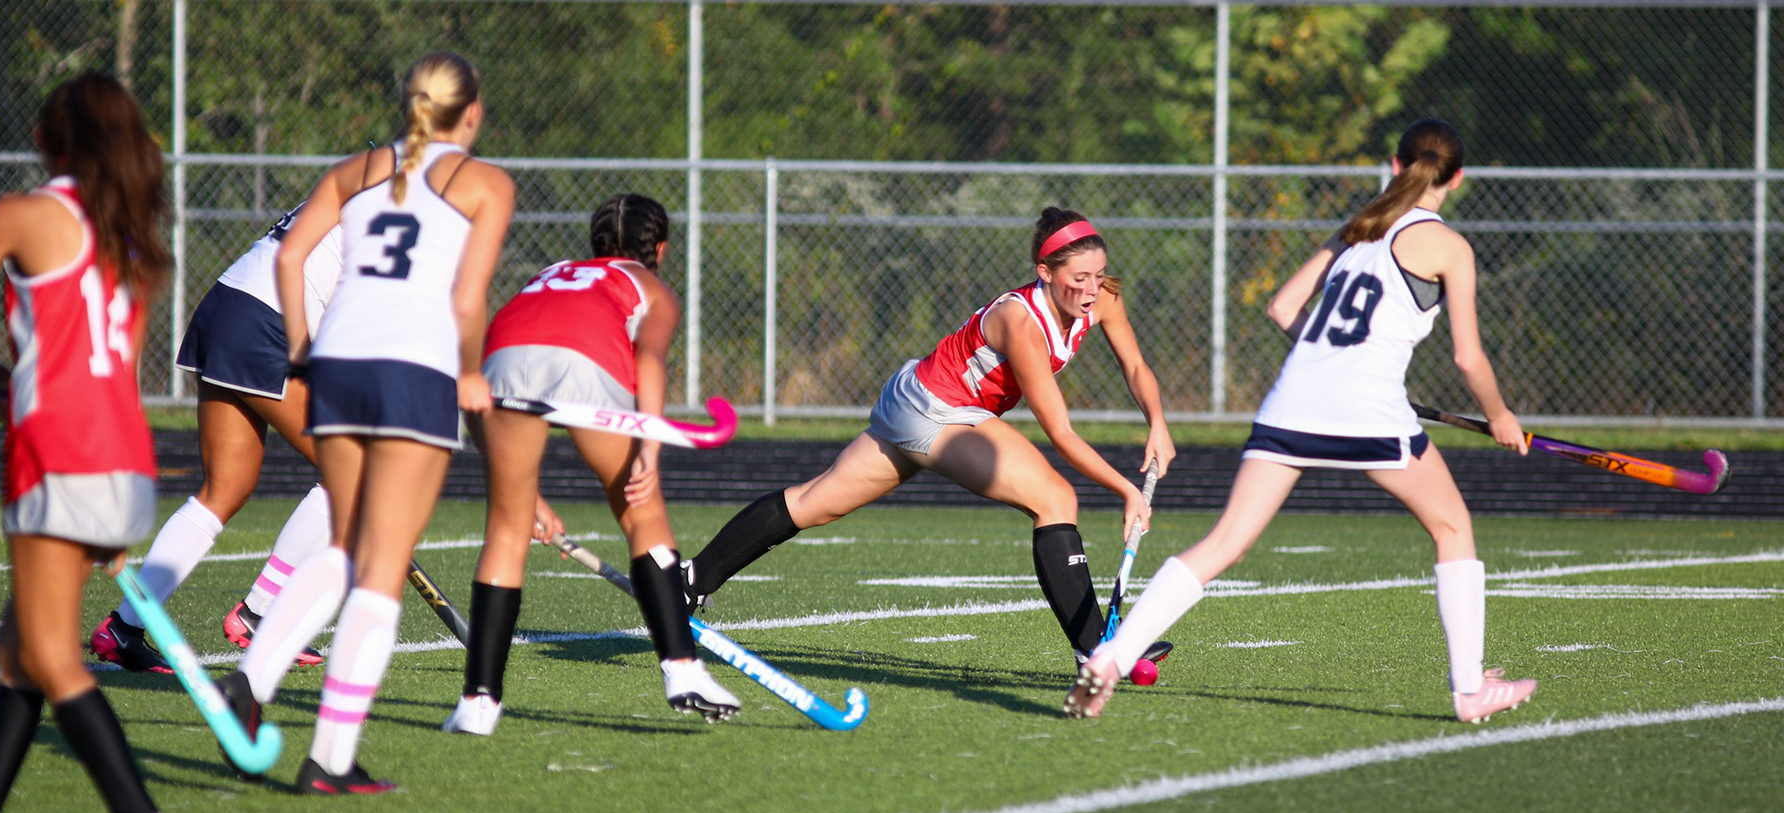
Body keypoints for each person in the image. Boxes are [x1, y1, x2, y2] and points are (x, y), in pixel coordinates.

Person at [1068, 118, 1538, 724]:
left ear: (1396, 165)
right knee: (1452, 526)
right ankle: (1469, 689)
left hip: (1293, 398)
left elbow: (1282, 307)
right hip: (1368, 406)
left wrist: (1329, 358)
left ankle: (1111, 656)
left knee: (1226, 542)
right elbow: (1468, 358)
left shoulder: (1360, 227)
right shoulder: (1450, 247)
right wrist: (1499, 416)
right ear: (1459, 178)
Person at [682, 208, 1176, 668]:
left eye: (1098, 275)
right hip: (933, 410)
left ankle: (691, 578)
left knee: (814, 503)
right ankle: (1097, 649)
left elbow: (1135, 366)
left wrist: (1157, 422)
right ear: (1044, 272)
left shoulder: (1104, 298)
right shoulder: (1021, 322)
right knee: (1055, 498)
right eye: (1079, 278)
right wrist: (1126, 490)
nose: (1091, 290)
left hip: (926, 400)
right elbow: (1061, 432)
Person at [216, 51, 513, 794]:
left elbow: (290, 258)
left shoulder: (356, 169)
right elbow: (467, 300)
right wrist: (470, 372)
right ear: (472, 112)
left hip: (339, 360)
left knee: (347, 545)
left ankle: (250, 680)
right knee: (381, 565)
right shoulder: (485, 182)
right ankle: (331, 760)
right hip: (415, 370)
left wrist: (300, 349)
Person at [0, 73, 183, 813]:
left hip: (57, 453)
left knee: (50, 655)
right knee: (17, 649)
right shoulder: (133, 240)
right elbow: (114, 368)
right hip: (125, 458)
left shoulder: (21, 215)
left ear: (50, 139)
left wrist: (5, 383)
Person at [443, 193, 741, 735]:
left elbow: (496, 364)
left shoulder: (553, 272)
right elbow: (648, 359)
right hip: (586, 361)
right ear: (660, 249)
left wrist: (527, 496)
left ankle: (478, 702)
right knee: (642, 512)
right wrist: (650, 444)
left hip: (499, 364)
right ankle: (682, 668)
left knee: (506, 529)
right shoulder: (651, 287)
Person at [86, 205, 343, 673]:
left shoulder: (366, 182)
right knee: (351, 474)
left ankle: (123, 628)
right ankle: (259, 613)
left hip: (229, 303)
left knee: (225, 489)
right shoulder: (405, 206)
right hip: (269, 320)